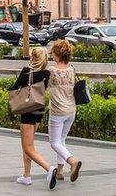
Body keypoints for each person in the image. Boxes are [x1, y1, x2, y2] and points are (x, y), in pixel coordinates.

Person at [10, 47, 56, 189]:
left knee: (28, 148)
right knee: (29, 145)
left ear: (32, 58)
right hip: (39, 110)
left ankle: (49, 169)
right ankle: (26, 176)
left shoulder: (26, 72)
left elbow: (14, 87)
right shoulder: (47, 73)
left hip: (28, 111)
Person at [48, 40, 82, 183]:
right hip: (71, 110)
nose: (52, 55)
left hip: (57, 111)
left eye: (53, 53)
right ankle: (60, 172)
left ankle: (72, 161)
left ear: (57, 54)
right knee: (61, 140)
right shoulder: (71, 69)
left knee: (54, 142)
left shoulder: (52, 71)